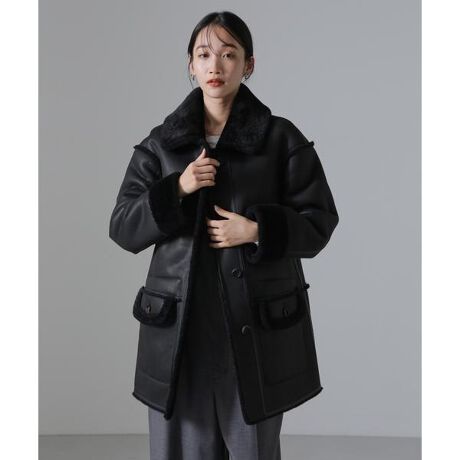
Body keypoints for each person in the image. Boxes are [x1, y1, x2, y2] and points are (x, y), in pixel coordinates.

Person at [109, 10, 339, 460]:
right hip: (180, 333)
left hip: (252, 330)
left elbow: (319, 220)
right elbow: (122, 226)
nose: (215, 65)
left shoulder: (280, 138)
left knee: (253, 449)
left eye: (229, 54)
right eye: (204, 54)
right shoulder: (162, 144)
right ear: (191, 65)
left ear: (248, 64)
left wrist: (257, 230)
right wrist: (178, 187)